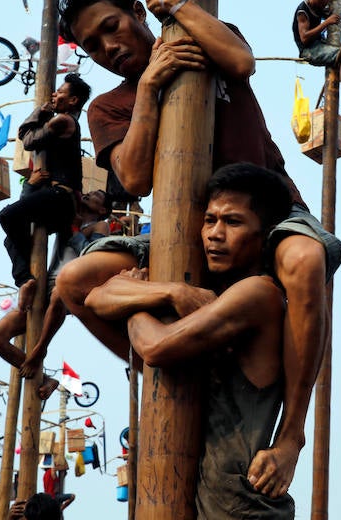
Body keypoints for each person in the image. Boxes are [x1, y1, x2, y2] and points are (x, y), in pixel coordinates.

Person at [56, 0, 341, 492]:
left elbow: (241, 60)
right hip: (184, 236)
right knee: (73, 280)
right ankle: (179, 368)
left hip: (269, 215)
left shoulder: (199, 34)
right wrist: (148, 90)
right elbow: (135, 177)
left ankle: (293, 434)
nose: (108, 48)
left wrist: (177, 2)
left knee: (305, 259)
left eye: (112, 28)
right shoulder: (109, 107)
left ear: (138, 14)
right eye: (92, 46)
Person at [90, 163, 295, 517]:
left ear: (264, 236)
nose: (215, 233)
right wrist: (171, 291)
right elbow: (93, 298)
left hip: (241, 506)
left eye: (233, 222)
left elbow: (155, 347)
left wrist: (136, 299)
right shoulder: (215, 295)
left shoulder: (259, 294)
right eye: (209, 220)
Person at [0, 189, 111, 399]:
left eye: (98, 194)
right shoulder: (67, 218)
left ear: (102, 209)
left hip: (73, 284)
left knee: (58, 295)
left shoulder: (100, 225)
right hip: (46, 283)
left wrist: (74, 230)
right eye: (89, 192)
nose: (90, 193)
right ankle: (46, 379)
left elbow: (92, 253)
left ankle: (40, 350)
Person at [0, 73, 90, 307]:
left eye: (60, 92)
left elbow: (27, 139)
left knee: (7, 215)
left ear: (74, 101)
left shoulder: (64, 121)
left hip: (61, 198)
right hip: (57, 202)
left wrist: (41, 109)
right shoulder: (64, 120)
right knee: (11, 241)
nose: (54, 94)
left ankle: (25, 278)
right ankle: (26, 280)